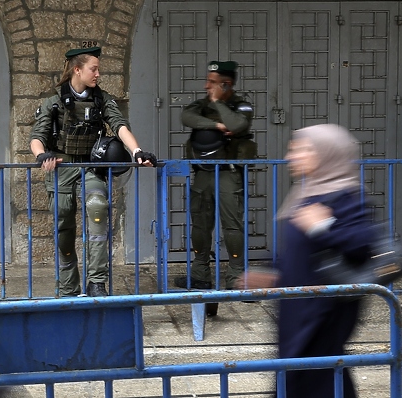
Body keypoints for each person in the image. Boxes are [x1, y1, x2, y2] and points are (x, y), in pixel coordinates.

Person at [238, 124, 375, 398]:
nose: (292, 156)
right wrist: (272, 274)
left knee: (318, 379)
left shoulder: (345, 196)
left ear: (327, 153)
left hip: (324, 313)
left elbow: (362, 244)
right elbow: (297, 250)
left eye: (302, 149)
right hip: (297, 312)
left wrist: (323, 226)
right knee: (301, 377)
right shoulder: (305, 194)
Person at [29, 45, 157, 297]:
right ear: (77, 69)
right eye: (94, 69)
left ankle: (96, 281)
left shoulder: (101, 99)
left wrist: (137, 151)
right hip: (62, 167)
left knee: (98, 209)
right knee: (63, 225)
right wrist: (41, 154)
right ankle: (68, 286)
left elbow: (119, 126)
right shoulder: (54, 101)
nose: (98, 74)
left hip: (90, 166)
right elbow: (37, 136)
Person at [174, 60, 255, 290]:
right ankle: (200, 275)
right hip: (203, 173)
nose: (206, 86)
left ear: (226, 85)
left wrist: (219, 102)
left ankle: (237, 278)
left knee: (232, 225)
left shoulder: (242, 105)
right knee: (200, 225)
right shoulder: (201, 104)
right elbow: (186, 118)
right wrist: (217, 126)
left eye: (212, 83)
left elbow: (238, 124)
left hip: (228, 173)